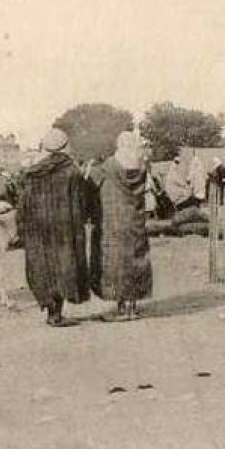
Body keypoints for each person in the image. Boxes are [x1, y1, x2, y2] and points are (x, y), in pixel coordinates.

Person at [18, 127, 90, 327]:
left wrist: (23, 230)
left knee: (44, 268)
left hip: (37, 230)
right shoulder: (71, 171)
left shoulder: (31, 173)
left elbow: (22, 206)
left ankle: (51, 312)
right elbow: (80, 203)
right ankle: (57, 314)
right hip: (63, 229)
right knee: (63, 266)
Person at [89, 130, 154, 320]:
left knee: (117, 265)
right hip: (135, 221)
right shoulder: (141, 168)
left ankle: (121, 308)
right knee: (135, 261)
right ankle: (132, 307)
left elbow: (91, 184)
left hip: (113, 223)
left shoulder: (108, 166)